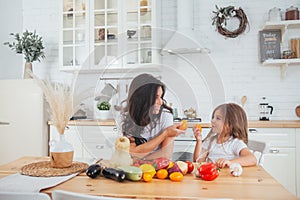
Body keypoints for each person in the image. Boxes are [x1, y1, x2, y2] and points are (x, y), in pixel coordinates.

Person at [121, 73, 185, 160]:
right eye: (156, 97)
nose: (161, 102)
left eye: (161, 97)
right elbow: (134, 153)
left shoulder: (166, 116)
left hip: (157, 168)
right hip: (135, 168)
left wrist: (140, 161)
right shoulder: (127, 117)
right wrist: (164, 134)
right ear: (142, 98)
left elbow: (166, 154)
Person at [193, 103, 257, 168]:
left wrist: (230, 162)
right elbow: (198, 161)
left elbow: (252, 159)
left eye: (218, 118)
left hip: (228, 177)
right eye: (213, 117)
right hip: (212, 176)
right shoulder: (210, 141)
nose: (212, 120)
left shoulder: (235, 143)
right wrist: (199, 141)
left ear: (231, 124)